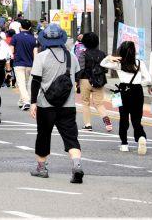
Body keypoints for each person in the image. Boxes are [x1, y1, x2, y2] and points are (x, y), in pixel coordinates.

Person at [29, 23, 83, 184]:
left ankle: (42, 168)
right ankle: (76, 165)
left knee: (43, 135)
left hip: (46, 105)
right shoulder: (71, 56)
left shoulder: (41, 57)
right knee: (70, 137)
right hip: (68, 105)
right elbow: (78, 77)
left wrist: (33, 102)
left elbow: (36, 82)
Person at [101, 41, 150, 153]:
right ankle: (141, 137)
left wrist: (110, 57)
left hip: (122, 90)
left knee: (123, 117)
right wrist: (139, 83)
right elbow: (148, 79)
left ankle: (124, 144)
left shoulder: (118, 64)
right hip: (137, 90)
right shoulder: (139, 63)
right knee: (136, 118)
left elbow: (102, 63)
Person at [76, 32, 112, 131]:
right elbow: (105, 69)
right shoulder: (102, 53)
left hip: (85, 80)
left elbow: (81, 69)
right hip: (99, 81)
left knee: (85, 102)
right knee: (99, 103)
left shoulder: (83, 54)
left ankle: (88, 125)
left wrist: (76, 81)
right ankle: (107, 121)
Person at [10, 20, 37, 110]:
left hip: (18, 63)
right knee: (28, 84)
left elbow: (11, 51)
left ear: (20, 27)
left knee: (21, 84)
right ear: (29, 28)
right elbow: (35, 54)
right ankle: (22, 101)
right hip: (30, 64)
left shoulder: (15, 37)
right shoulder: (33, 39)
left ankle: (26, 101)